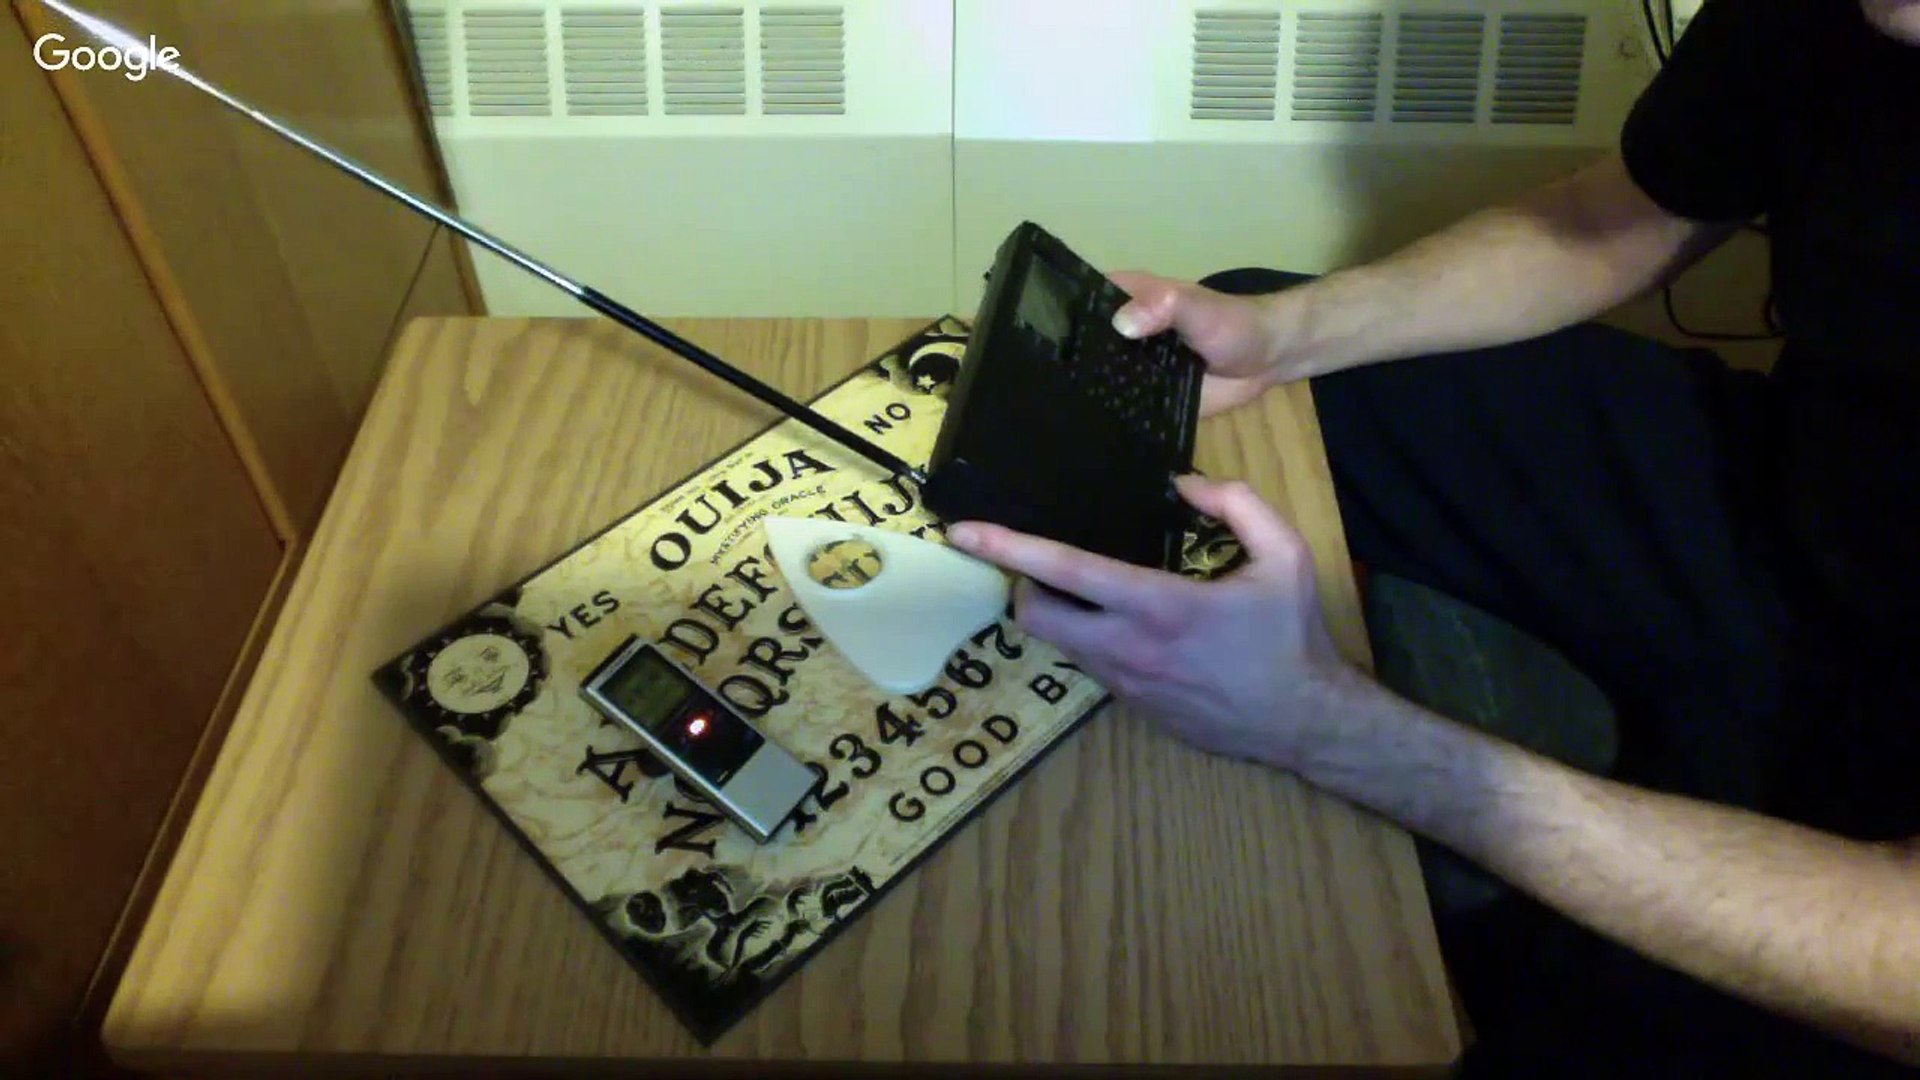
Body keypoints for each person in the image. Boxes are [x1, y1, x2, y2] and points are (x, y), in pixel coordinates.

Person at [947, 0, 1919, 1074]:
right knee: (1253, 345)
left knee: (1571, 1023)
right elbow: (1612, 219)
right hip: (1799, 490)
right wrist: (1285, 336)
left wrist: (1319, 722)